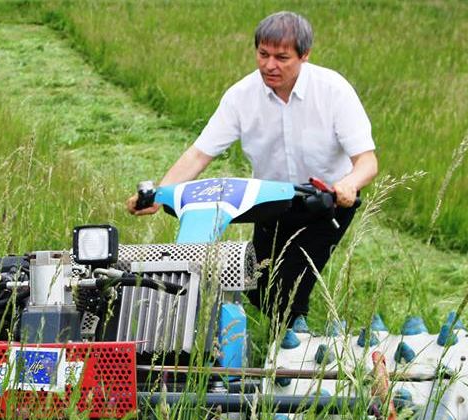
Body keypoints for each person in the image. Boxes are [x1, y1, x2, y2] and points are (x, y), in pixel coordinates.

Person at [125, 11, 378, 326]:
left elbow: (367, 161)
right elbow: (199, 154)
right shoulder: (241, 96)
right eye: (263, 54)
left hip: (326, 201)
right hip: (271, 201)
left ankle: (288, 355)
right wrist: (160, 196)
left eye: (282, 57)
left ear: (305, 55)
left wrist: (350, 184)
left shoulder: (334, 91)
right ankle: (279, 341)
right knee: (258, 285)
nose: (270, 65)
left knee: (289, 289)